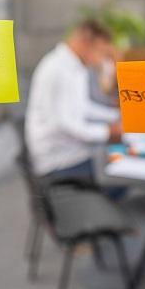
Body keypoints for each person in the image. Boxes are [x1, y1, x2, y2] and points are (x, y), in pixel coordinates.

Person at [26, 20, 121, 184]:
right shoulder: (56, 69)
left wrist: (117, 116)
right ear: (84, 41)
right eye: (100, 51)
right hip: (59, 162)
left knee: (118, 157)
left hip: (73, 151)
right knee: (117, 172)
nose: (100, 59)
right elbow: (64, 124)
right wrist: (108, 132)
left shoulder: (76, 67)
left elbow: (84, 107)